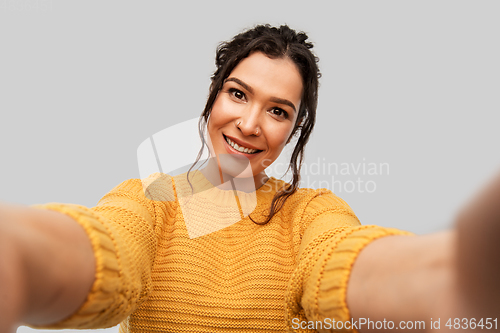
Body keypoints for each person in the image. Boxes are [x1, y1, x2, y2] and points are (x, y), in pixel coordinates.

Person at [0, 24, 498, 333]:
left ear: (294, 129)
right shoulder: (151, 201)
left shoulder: (311, 214)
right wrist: (21, 256)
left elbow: (342, 265)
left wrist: (449, 283)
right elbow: (107, 249)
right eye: (238, 95)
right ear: (214, 96)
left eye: (277, 110)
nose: (250, 124)